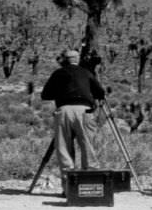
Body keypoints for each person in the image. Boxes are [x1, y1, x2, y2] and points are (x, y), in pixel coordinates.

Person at [40, 49, 105, 190]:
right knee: (87, 145)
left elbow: (45, 94)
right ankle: (91, 184)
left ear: (63, 60)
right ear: (78, 59)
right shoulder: (87, 73)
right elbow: (100, 93)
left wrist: (61, 91)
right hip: (84, 111)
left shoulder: (58, 73)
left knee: (63, 147)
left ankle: (69, 187)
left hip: (64, 111)